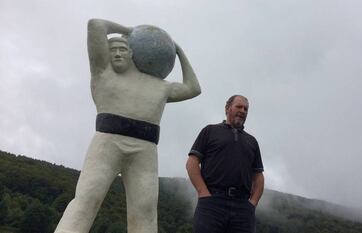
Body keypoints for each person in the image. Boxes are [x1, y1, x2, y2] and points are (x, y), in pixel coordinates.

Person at [55, 19, 201, 233]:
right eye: (112, 50)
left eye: (123, 49)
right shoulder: (102, 72)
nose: (117, 54)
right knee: (87, 199)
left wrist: (178, 51)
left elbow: (193, 88)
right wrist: (130, 32)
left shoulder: (160, 87)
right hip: (107, 142)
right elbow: (95, 25)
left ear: (133, 53)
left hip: (145, 150)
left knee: (145, 210)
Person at [186, 95, 264, 233]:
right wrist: (203, 192)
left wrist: (253, 203)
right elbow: (192, 162)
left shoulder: (252, 141)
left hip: (243, 207)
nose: (243, 111)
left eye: (246, 109)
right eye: (238, 106)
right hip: (211, 203)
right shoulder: (210, 131)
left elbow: (258, 176)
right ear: (227, 108)